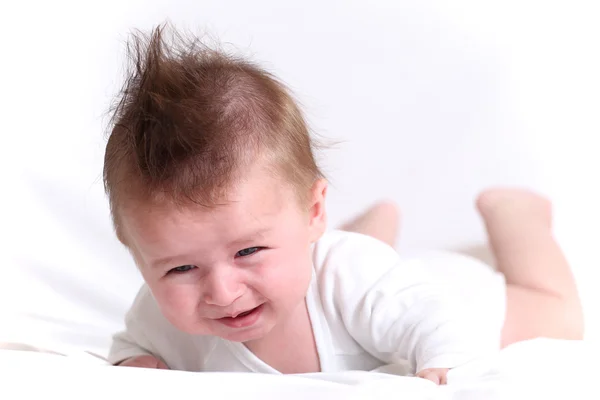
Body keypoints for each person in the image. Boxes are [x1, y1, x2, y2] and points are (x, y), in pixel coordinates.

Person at [103, 24, 583, 385]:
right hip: (357, 283)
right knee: (349, 288)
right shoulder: (159, 315)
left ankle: (516, 215)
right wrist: (137, 365)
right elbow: (133, 346)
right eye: (180, 268)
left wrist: (447, 363)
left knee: (559, 317)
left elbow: (435, 320)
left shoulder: (355, 277)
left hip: (446, 291)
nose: (222, 292)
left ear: (314, 212)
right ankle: (372, 226)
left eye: (248, 251)